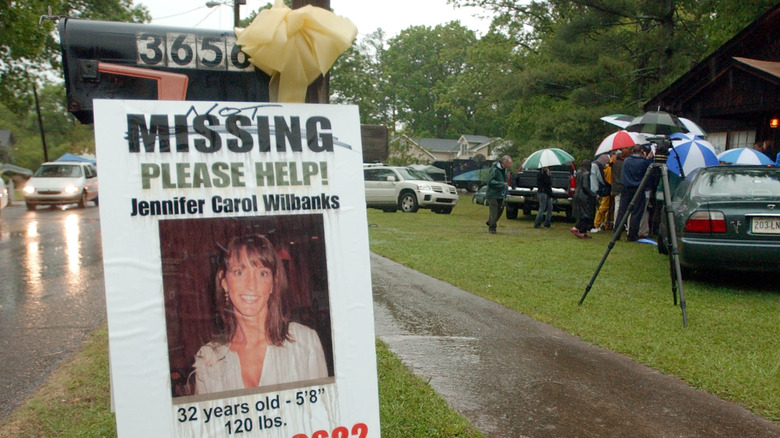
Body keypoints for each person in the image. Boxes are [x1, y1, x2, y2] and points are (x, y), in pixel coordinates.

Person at [192, 234, 328, 395]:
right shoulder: (209, 359)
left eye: (262, 273)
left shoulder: (305, 342)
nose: (251, 285)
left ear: (273, 285)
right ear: (224, 282)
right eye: (239, 272)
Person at [615, 144, 655, 242]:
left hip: (626, 188)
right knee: (636, 212)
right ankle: (632, 234)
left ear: (632, 151)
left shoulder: (626, 161)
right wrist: (647, 158)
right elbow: (649, 172)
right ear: (641, 152)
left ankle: (617, 232)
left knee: (622, 211)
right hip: (638, 188)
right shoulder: (644, 162)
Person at [486, 155, 512, 234]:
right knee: (494, 210)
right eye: (509, 163)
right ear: (504, 163)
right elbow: (490, 181)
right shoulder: (495, 169)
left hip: (500, 193)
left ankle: (491, 221)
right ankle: (492, 228)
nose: (510, 165)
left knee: (500, 209)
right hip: (492, 194)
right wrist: (501, 184)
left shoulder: (505, 170)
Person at [571, 159, 597, 238]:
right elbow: (585, 186)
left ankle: (583, 231)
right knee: (587, 214)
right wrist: (593, 194)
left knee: (581, 214)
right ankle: (577, 228)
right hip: (584, 196)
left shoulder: (578, 172)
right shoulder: (586, 173)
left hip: (577, 194)